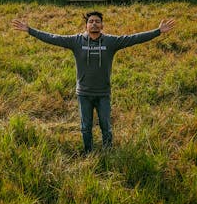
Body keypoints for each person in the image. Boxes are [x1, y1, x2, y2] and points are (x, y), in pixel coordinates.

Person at [12, 12, 176, 153]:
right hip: (84, 93)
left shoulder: (111, 42)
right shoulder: (76, 41)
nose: (94, 24)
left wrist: (158, 31)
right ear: (86, 26)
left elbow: (134, 38)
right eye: (91, 21)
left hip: (103, 93)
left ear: (102, 25)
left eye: (97, 21)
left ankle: (108, 150)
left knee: (106, 126)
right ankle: (88, 152)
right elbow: (53, 38)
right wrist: (30, 30)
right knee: (85, 127)